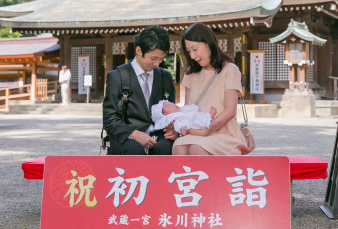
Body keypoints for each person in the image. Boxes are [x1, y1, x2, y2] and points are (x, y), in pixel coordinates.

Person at [172, 22, 246, 155]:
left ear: (208, 43)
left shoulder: (230, 70)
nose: (193, 56)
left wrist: (207, 131)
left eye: (195, 49)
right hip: (196, 132)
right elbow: (188, 109)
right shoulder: (191, 73)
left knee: (197, 148)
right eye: (189, 52)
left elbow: (230, 110)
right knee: (179, 146)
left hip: (223, 134)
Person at [102, 25, 177, 155]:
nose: (158, 64)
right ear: (139, 51)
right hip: (128, 136)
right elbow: (110, 119)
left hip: (159, 135)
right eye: (153, 58)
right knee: (134, 150)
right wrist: (133, 134)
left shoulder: (165, 77)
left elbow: (172, 114)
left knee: (167, 148)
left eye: (161, 59)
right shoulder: (118, 77)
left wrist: (173, 129)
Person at [151, 100, 217, 134]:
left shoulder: (181, 110)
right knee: (195, 120)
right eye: (169, 106)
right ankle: (209, 118)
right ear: (165, 114)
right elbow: (177, 126)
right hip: (190, 125)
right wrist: (181, 129)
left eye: (172, 103)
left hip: (193, 121)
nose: (173, 105)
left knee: (197, 116)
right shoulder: (173, 118)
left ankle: (209, 118)